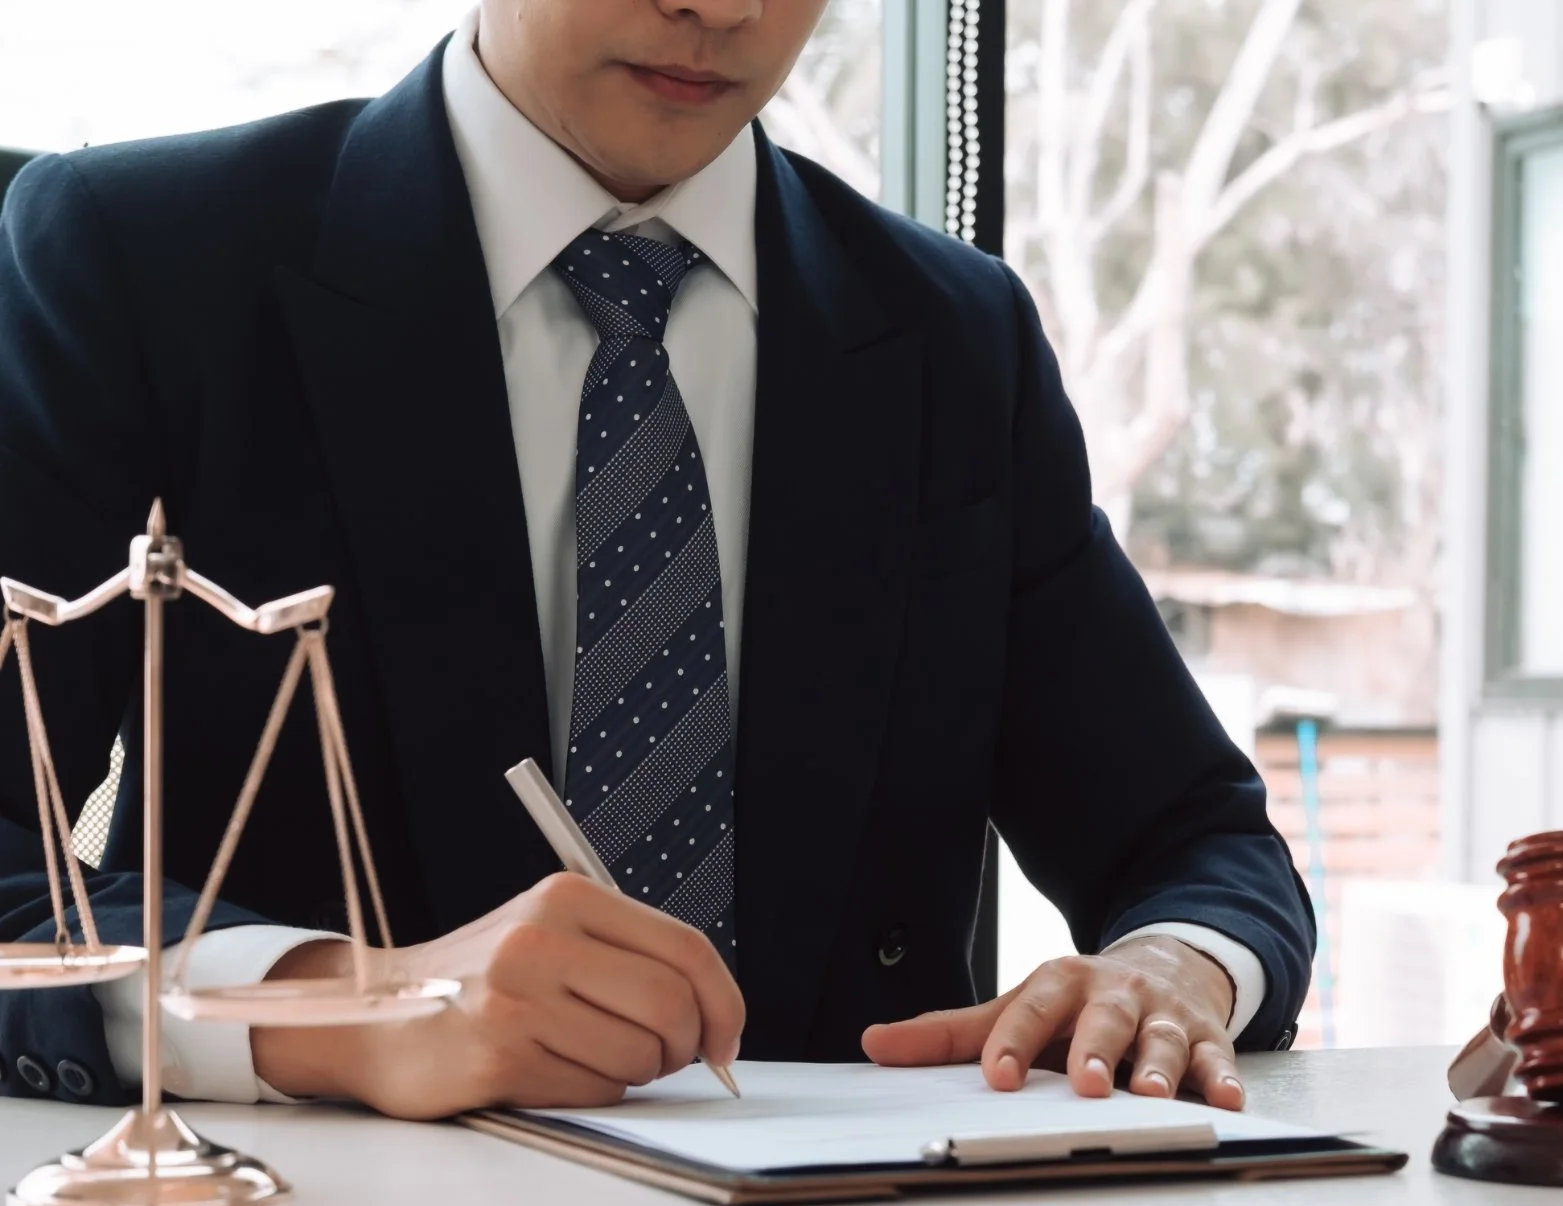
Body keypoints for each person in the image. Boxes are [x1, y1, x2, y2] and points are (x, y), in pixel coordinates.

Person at [0, 0, 1312, 1120]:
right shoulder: (142, 263)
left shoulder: (954, 338)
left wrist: (1171, 967)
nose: (722, 4)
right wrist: (350, 1008)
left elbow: (1195, 841)